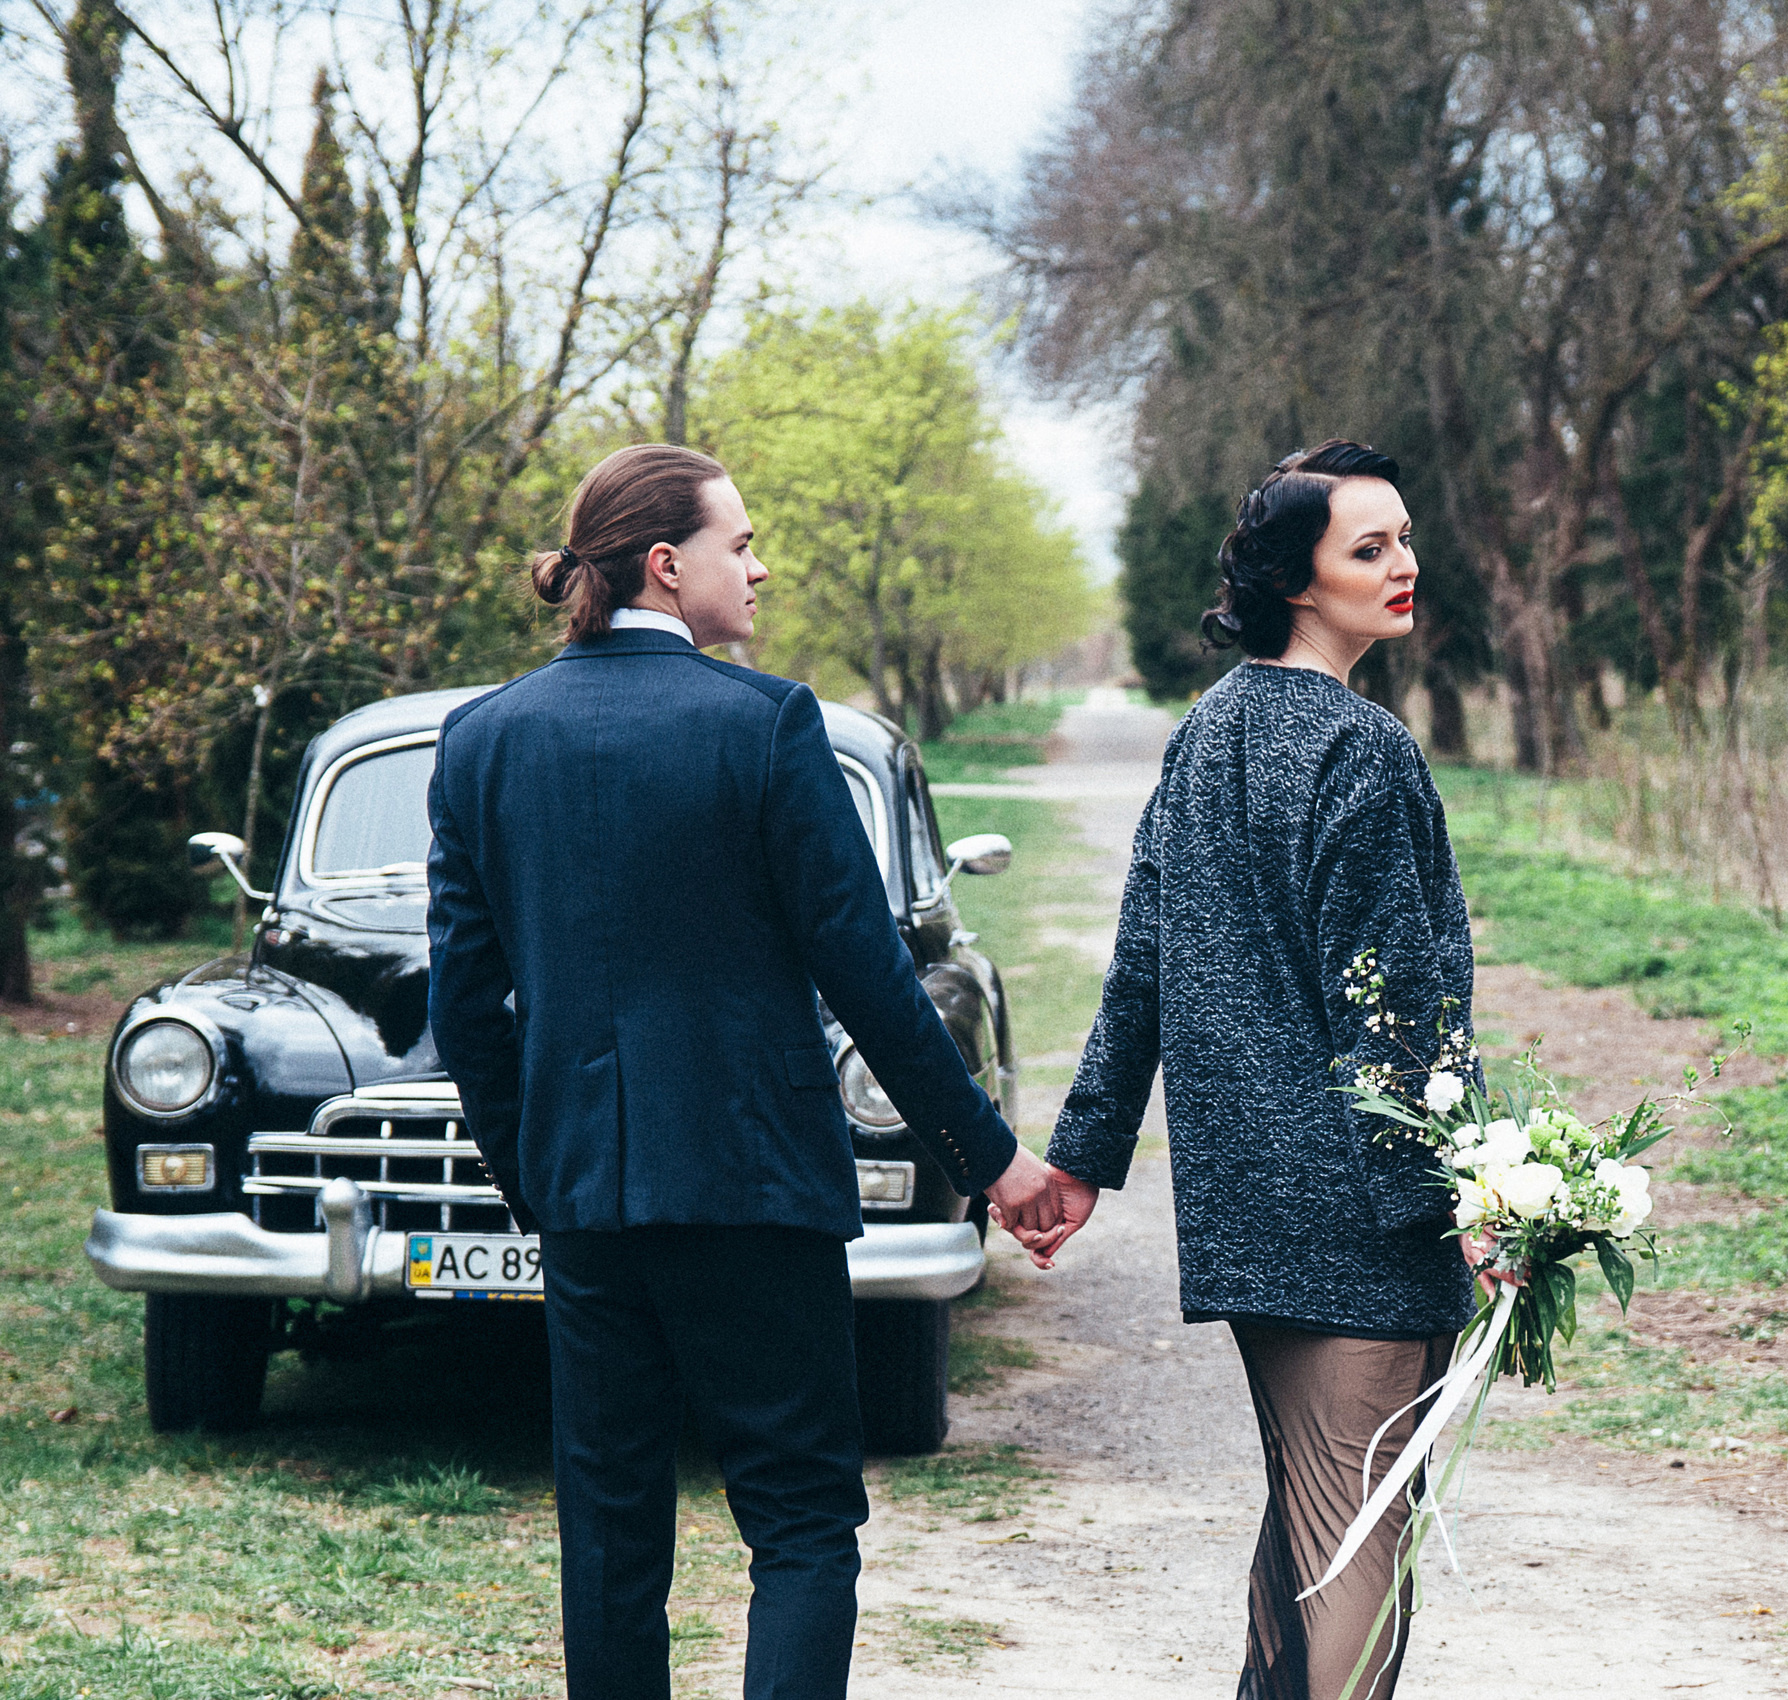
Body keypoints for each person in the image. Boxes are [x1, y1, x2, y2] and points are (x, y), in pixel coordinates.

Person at [424, 443, 1062, 1700]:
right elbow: (871, 978)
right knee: (802, 1520)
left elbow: (466, 1005)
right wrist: (995, 1161)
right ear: (667, 565)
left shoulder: (482, 738)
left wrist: (538, 1175)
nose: (758, 568)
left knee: (608, 1533)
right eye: (741, 543)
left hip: (589, 1201)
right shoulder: (768, 725)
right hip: (755, 1192)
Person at [1035, 440, 1479, 1700]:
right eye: (1368, 548)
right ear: (1298, 580)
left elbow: (1140, 965)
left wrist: (1082, 1152)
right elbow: (1395, 1015)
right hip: (1358, 1214)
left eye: (1402, 538)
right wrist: (1470, 1202)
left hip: (1243, 1204)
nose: (1403, 566)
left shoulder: (1205, 731)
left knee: (1308, 1511)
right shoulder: (1362, 748)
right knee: (1359, 1530)